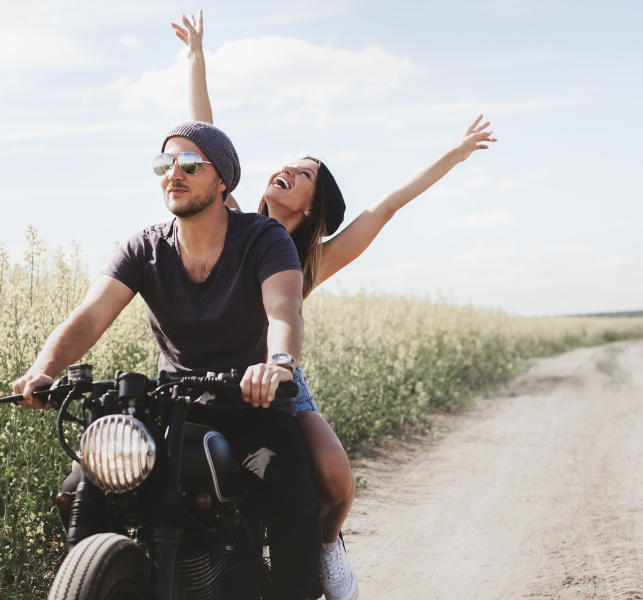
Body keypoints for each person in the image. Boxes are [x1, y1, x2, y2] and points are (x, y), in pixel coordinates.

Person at [172, 12, 497, 600]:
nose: (287, 170)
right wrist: (197, 55)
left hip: (279, 378)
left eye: (303, 174)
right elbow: (205, 135)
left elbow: (386, 207)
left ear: (310, 205)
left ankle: (322, 550)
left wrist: (455, 154)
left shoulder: (312, 257)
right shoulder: (234, 221)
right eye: (289, 163)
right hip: (217, 379)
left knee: (337, 482)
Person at [12, 121, 322, 600]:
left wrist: (277, 365)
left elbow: (284, 310)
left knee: (285, 489)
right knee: (80, 488)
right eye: (165, 164)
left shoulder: (263, 239)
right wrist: (43, 369)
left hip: (251, 408)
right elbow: (90, 317)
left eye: (190, 164)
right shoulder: (145, 246)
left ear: (223, 181)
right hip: (177, 409)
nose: (173, 174)